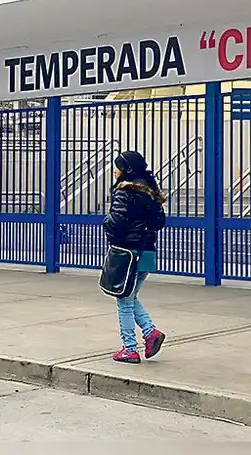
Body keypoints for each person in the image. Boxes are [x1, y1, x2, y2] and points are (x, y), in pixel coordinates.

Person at [103, 150, 167, 364]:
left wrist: (106, 223)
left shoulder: (125, 191)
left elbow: (117, 224)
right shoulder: (151, 191)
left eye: (118, 166)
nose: (115, 170)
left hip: (128, 253)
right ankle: (150, 333)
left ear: (126, 170)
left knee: (124, 300)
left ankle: (130, 348)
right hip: (147, 251)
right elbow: (159, 222)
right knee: (129, 296)